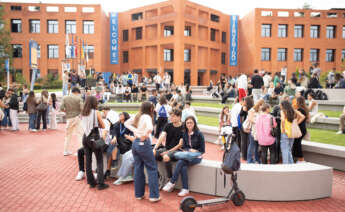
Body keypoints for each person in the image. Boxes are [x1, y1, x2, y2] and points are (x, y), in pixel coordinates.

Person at [124, 101, 160, 202]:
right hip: (143, 143)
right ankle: (154, 196)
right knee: (152, 169)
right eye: (152, 108)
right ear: (150, 109)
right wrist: (143, 134)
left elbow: (126, 123)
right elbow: (150, 128)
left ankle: (139, 195)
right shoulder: (147, 117)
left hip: (135, 144)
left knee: (138, 168)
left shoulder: (138, 115)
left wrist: (136, 131)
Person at [162, 116, 205, 197]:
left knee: (181, 162)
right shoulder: (184, 133)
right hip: (187, 155)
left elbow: (202, 150)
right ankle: (185, 189)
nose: (189, 124)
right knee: (183, 164)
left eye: (191, 122)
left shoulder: (199, 134)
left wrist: (195, 150)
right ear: (185, 124)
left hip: (197, 157)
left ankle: (172, 182)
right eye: (187, 123)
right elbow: (184, 147)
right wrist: (188, 150)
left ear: (194, 123)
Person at [80, 96, 109, 190]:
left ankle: (91, 182)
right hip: (94, 137)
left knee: (88, 161)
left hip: (85, 137)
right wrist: (98, 125)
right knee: (99, 160)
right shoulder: (96, 112)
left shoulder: (83, 112)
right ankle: (100, 183)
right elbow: (103, 125)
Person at [153, 109, 183, 188]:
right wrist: (155, 148)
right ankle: (158, 177)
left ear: (179, 117)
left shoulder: (183, 127)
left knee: (166, 157)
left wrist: (168, 152)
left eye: (173, 116)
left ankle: (170, 180)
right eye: (170, 116)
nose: (171, 118)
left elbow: (180, 145)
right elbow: (162, 136)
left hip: (177, 150)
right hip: (166, 148)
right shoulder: (168, 125)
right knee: (151, 154)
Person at [60, 87, 84, 156]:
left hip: (69, 118)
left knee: (68, 135)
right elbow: (82, 108)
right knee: (79, 134)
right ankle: (80, 152)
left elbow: (61, 108)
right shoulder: (79, 98)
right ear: (76, 92)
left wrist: (67, 111)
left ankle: (65, 151)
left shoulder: (65, 98)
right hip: (77, 117)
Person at [246, 99, 264, 164]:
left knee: (257, 146)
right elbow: (250, 119)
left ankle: (257, 159)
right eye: (262, 105)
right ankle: (249, 160)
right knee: (252, 145)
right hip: (253, 130)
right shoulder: (252, 110)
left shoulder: (261, 111)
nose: (262, 107)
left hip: (259, 131)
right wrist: (258, 122)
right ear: (259, 104)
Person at [293, 96, 309, 162]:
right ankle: (297, 159)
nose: (295, 102)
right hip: (303, 128)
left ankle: (301, 159)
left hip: (300, 129)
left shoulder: (300, 109)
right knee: (296, 144)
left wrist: (296, 122)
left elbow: (298, 119)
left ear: (298, 102)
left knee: (297, 144)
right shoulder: (305, 109)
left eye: (296, 101)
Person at [239, 96, 254, 161]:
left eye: (244, 101)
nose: (243, 102)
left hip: (245, 126)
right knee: (247, 142)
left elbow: (241, 116)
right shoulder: (251, 108)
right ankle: (246, 156)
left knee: (245, 142)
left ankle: (244, 156)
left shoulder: (245, 107)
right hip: (247, 126)